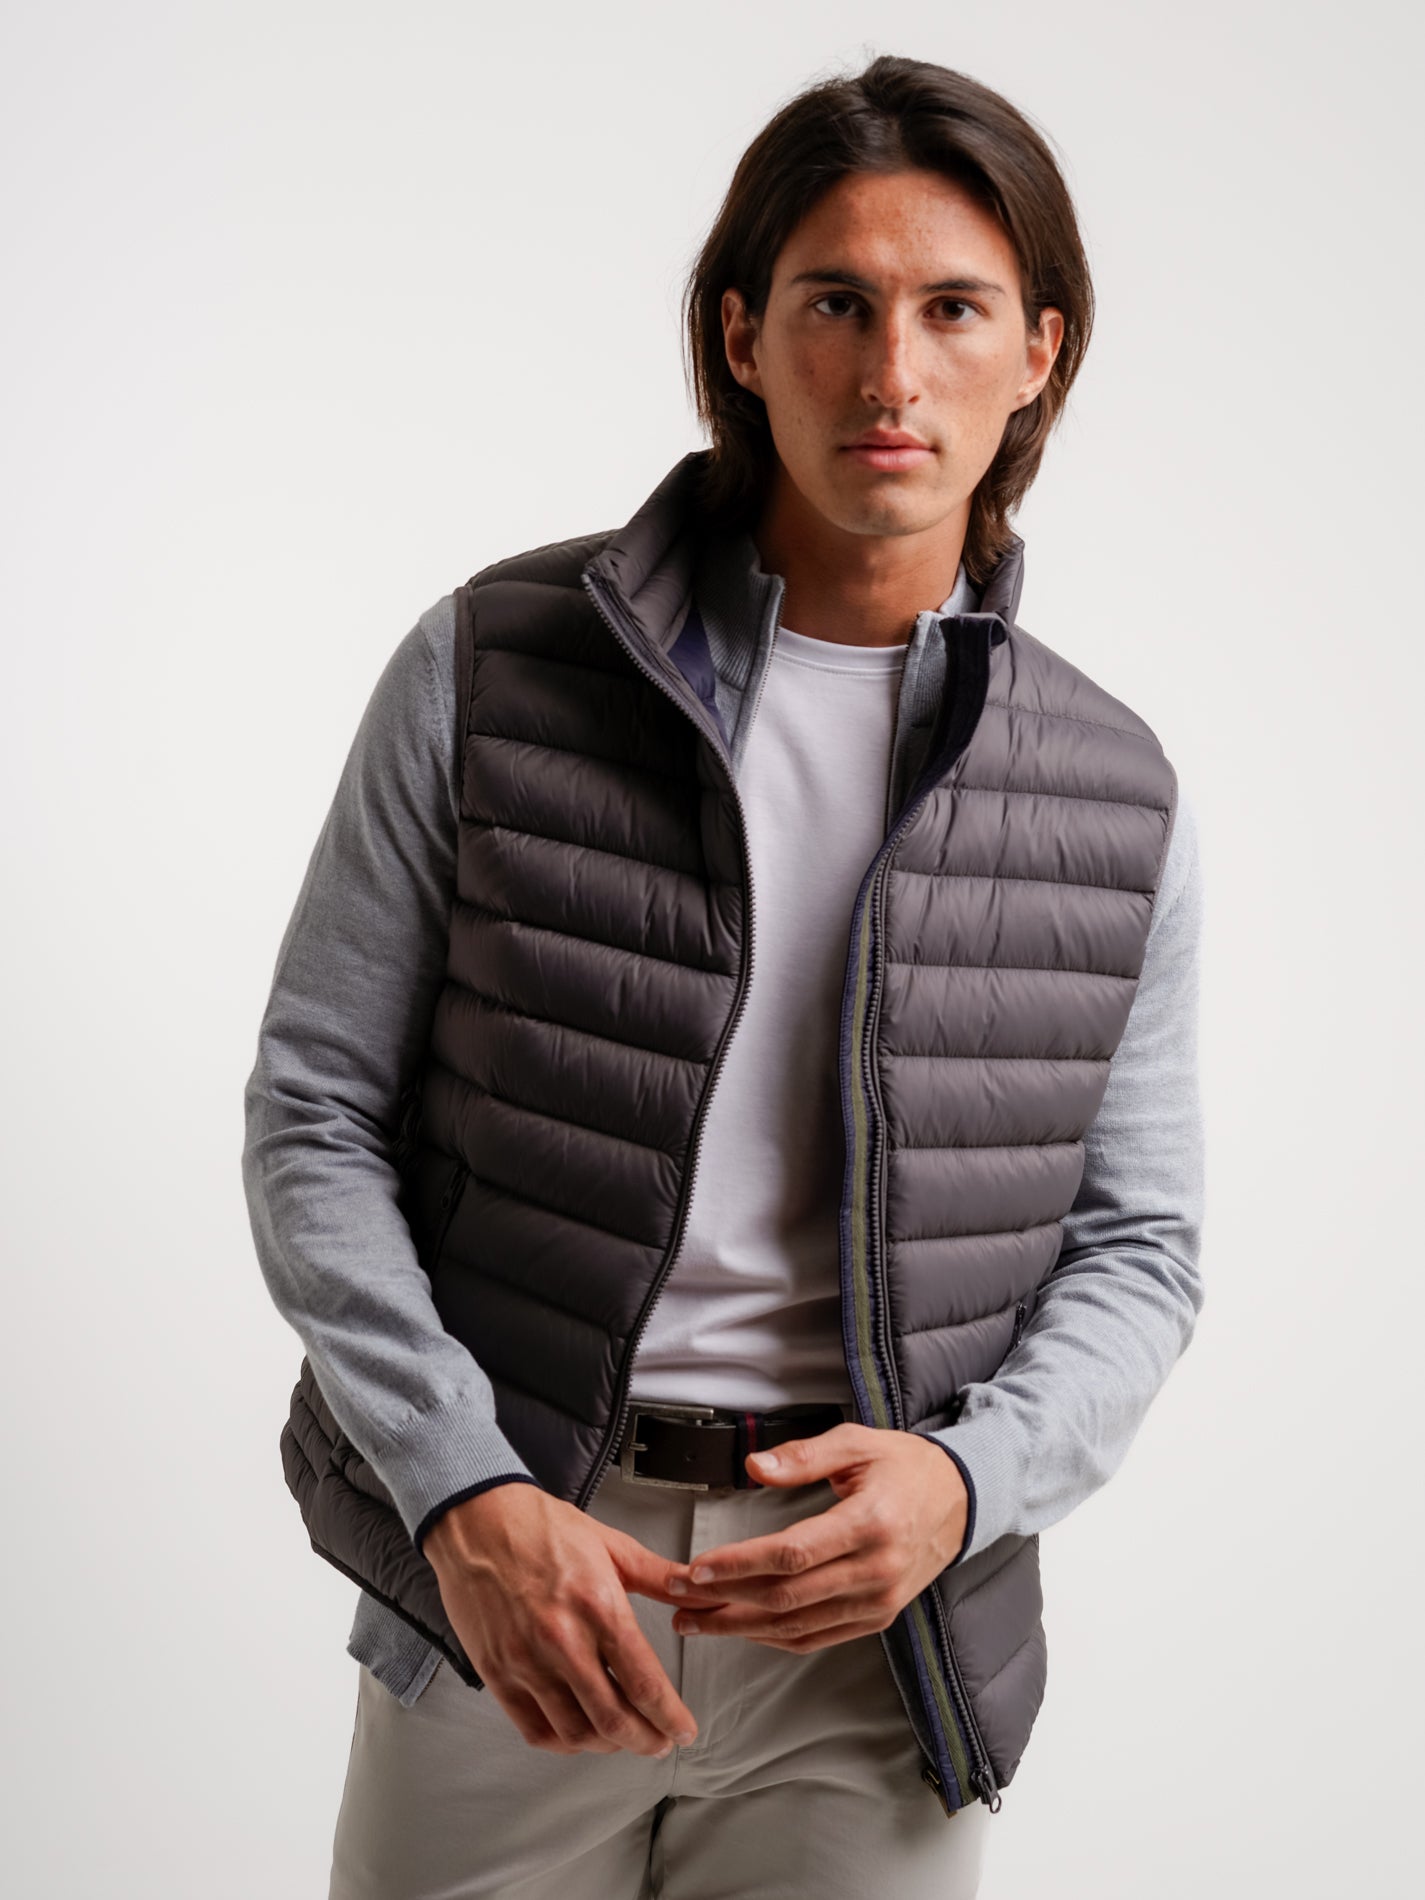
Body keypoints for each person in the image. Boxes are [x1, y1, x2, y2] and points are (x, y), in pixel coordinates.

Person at [243, 52, 1205, 1900]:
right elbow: (312, 1114)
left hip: (878, 1631)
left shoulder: (1113, 790)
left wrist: (964, 1486)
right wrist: (462, 1493)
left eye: (953, 310)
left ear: (1039, 354)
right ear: (741, 334)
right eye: (836, 303)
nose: (891, 371)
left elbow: (1138, 1245)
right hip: (524, 1581)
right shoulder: (492, 668)